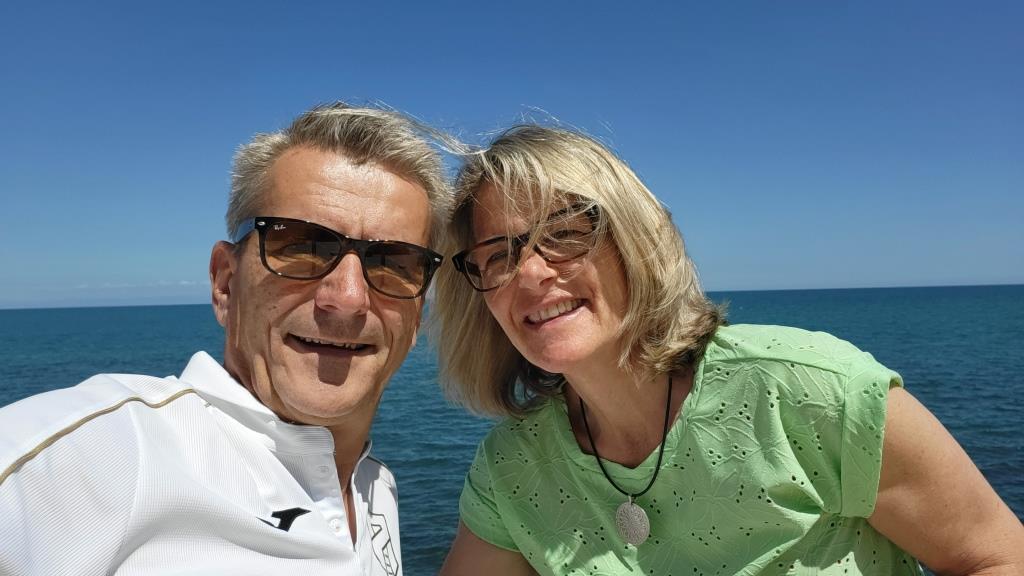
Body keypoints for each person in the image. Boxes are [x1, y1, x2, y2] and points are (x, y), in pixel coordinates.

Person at [431, 125, 1024, 575]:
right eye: (499, 254)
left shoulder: (811, 392)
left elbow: (997, 557)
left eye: (563, 234)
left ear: (634, 239)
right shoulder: (513, 469)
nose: (531, 273)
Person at [0, 102, 451, 575]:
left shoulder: (375, 487)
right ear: (225, 283)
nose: (349, 298)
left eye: (394, 263)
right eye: (301, 247)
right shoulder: (107, 457)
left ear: (416, 316)